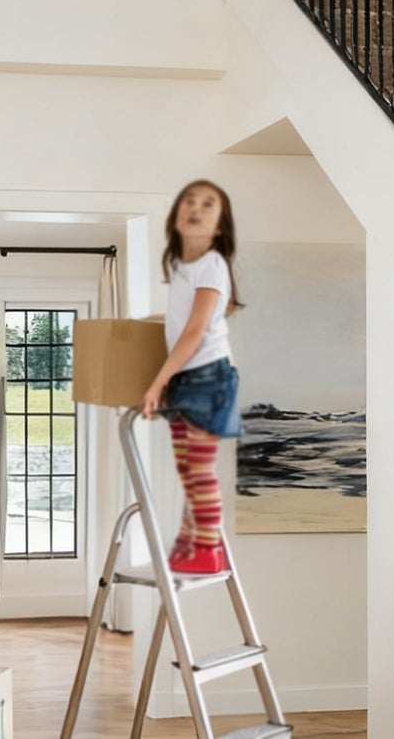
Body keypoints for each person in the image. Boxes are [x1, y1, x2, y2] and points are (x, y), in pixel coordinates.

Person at [141, 179, 243, 575]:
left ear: (219, 227)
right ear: (176, 218)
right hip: (190, 375)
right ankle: (189, 541)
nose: (196, 207)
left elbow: (195, 331)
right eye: (189, 201)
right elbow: (181, 324)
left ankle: (208, 548)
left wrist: (157, 382)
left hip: (206, 377)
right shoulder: (182, 267)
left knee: (199, 467)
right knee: (186, 468)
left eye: (208, 204)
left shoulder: (212, 264)